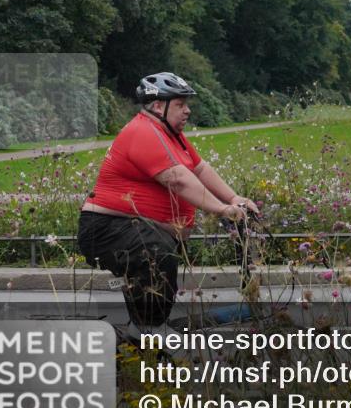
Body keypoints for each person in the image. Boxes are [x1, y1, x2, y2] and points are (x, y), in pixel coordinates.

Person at [77, 72, 259, 346]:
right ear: (158, 106)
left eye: (187, 103)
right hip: (106, 228)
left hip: (131, 227)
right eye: (180, 103)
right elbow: (177, 178)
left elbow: (199, 169)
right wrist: (222, 210)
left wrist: (235, 198)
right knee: (155, 256)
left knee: (156, 261)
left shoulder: (172, 136)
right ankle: (150, 332)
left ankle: (140, 339)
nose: (188, 110)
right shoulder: (143, 131)